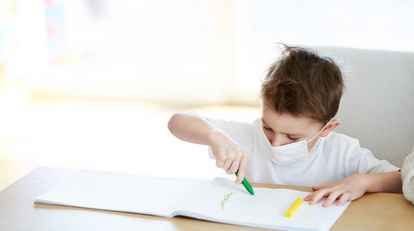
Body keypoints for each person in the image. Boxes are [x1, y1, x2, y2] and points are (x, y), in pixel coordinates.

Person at [168, 44, 402, 207]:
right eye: (268, 127)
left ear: (327, 129)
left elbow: (404, 180)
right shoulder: (246, 137)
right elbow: (177, 121)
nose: (275, 143)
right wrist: (215, 136)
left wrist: (363, 181)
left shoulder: (344, 152)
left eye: (291, 137)